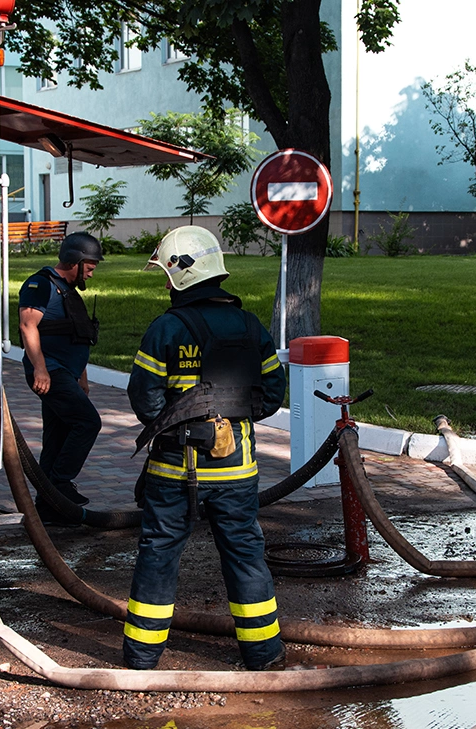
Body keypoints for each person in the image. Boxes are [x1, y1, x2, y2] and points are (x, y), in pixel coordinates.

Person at [122, 225, 287, 671]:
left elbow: (145, 401)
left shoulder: (166, 329)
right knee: (246, 558)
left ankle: (141, 660)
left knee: (158, 556)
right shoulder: (251, 326)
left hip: (175, 473)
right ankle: (264, 655)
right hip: (237, 473)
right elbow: (272, 395)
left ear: (178, 275)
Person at [18, 231, 104, 522]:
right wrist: (40, 369)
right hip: (50, 371)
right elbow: (28, 326)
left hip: (66, 372)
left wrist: (83, 376)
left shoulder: (69, 292)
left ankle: (48, 506)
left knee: (57, 436)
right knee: (88, 422)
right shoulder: (40, 285)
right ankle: (60, 484)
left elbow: (77, 336)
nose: (91, 275)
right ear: (75, 261)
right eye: (89, 268)